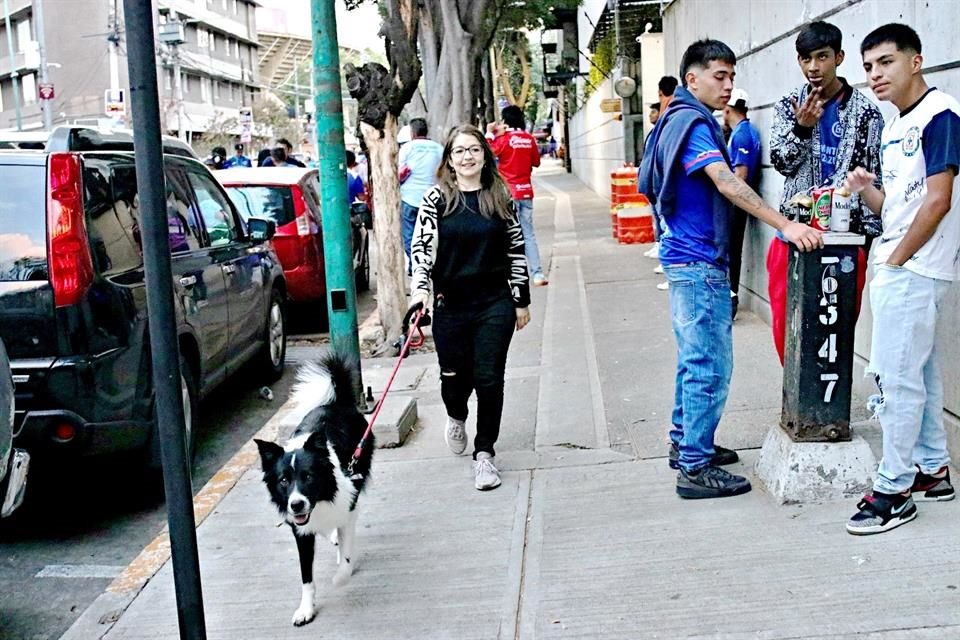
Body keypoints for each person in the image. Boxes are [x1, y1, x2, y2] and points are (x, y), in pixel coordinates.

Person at [639, 39, 822, 500]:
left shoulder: (674, 120)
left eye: (731, 77)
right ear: (691, 79)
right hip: (697, 260)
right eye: (719, 76)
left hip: (684, 254)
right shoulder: (694, 124)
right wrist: (784, 224)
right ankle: (695, 467)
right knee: (710, 364)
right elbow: (726, 182)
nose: (728, 86)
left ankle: (686, 444)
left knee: (693, 358)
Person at [843, 24, 959, 535]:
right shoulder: (895, 125)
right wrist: (867, 189)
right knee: (920, 372)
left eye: (886, 63)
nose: (875, 75)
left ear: (916, 61)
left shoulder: (942, 115)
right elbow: (900, 209)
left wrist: (896, 261)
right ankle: (932, 471)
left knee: (893, 379)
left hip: (913, 269)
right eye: (869, 67)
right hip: (899, 261)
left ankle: (893, 489)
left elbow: (939, 200)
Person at [405, 124, 531, 491]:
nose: (467, 157)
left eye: (474, 150)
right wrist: (419, 296)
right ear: (449, 159)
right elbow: (422, 253)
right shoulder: (436, 199)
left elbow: (516, 250)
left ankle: (485, 455)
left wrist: (520, 299)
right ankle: (456, 415)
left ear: (484, 155)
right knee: (454, 380)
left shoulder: (500, 196)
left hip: (494, 303)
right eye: (459, 151)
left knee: (490, 379)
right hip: (451, 305)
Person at [768, 21, 884, 363]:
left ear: (839, 57)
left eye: (822, 57)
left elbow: (872, 182)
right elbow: (781, 162)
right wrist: (802, 129)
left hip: (844, 239)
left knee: (838, 326)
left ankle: (828, 408)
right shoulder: (789, 105)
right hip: (795, 231)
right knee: (786, 320)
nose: (813, 67)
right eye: (805, 59)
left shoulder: (866, 113)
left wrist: (862, 242)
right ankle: (798, 399)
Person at [486, 105, 548, 286]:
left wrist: (490, 133)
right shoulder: (529, 139)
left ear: (505, 121)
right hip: (526, 191)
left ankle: (510, 276)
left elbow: (488, 152)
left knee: (506, 234)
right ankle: (537, 274)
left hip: (507, 193)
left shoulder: (504, 140)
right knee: (528, 234)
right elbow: (536, 162)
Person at [722, 88, 762, 320]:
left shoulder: (742, 135)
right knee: (732, 252)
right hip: (741, 203)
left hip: (737, 204)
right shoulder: (745, 132)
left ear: (728, 109)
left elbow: (741, 176)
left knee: (730, 252)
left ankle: (729, 301)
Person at [398, 118, 443, 275]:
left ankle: (416, 267)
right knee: (432, 234)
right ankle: (432, 264)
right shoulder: (438, 149)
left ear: (412, 132)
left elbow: (399, 172)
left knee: (410, 235)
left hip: (409, 198)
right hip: (433, 199)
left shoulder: (406, 149)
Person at [644, 77, 680, 267]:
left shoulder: (671, 122)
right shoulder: (679, 120)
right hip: (663, 189)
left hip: (666, 190)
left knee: (668, 228)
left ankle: (670, 264)